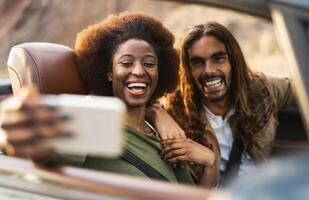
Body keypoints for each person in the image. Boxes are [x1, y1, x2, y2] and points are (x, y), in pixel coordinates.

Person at [0, 12, 216, 187]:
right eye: (126, 63)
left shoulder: (166, 135)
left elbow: (188, 195)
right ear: (109, 72)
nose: (139, 71)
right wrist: (19, 129)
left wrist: (210, 163)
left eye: (149, 63)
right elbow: (48, 150)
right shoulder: (93, 123)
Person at [160, 22, 295, 185]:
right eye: (197, 62)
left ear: (234, 61)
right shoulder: (176, 110)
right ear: (188, 69)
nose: (209, 70)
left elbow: (302, 86)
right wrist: (159, 115)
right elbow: (139, 104)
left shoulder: (262, 90)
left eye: (218, 59)